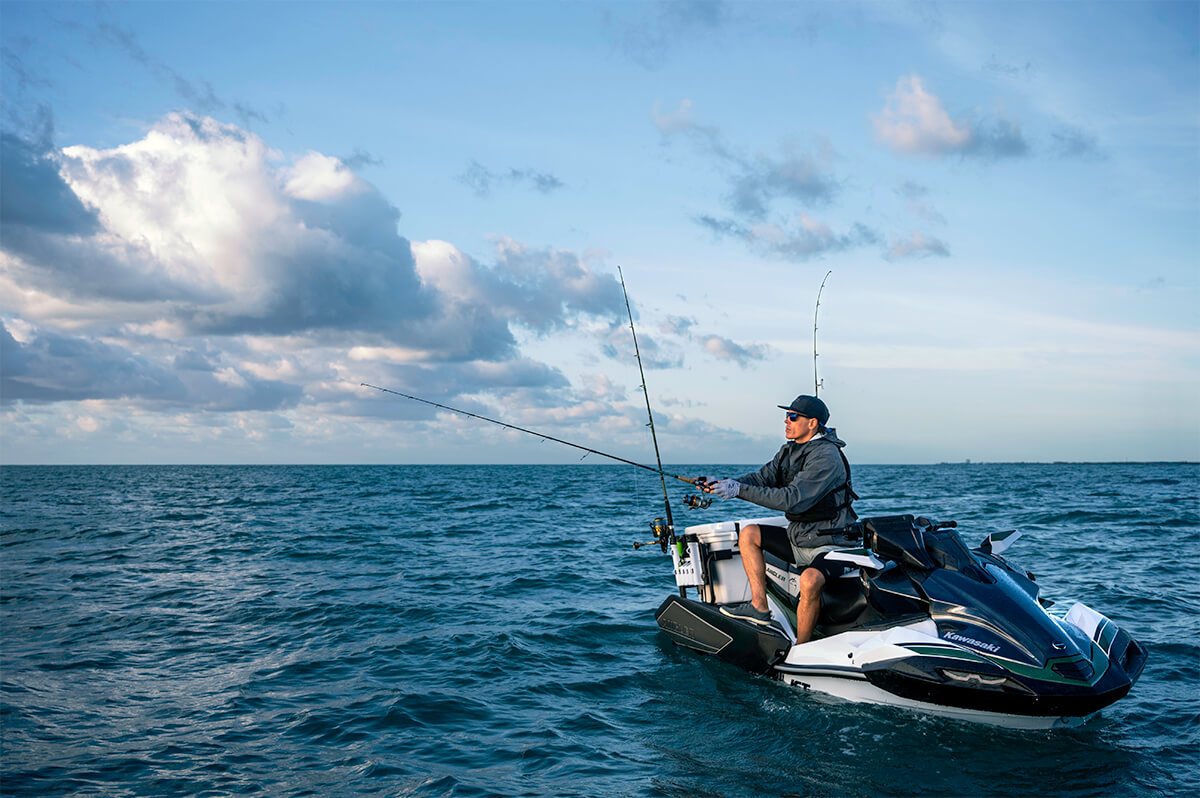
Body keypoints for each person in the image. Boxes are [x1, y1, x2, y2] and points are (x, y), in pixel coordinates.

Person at [698, 394, 857, 644]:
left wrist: (738, 491)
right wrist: (724, 484)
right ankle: (759, 607)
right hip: (799, 538)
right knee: (749, 534)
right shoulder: (788, 450)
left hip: (831, 543)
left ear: (812, 423)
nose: (786, 421)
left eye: (793, 417)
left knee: (810, 579)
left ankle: (801, 648)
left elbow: (792, 500)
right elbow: (762, 479)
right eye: (786, 416)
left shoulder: (826, 456)